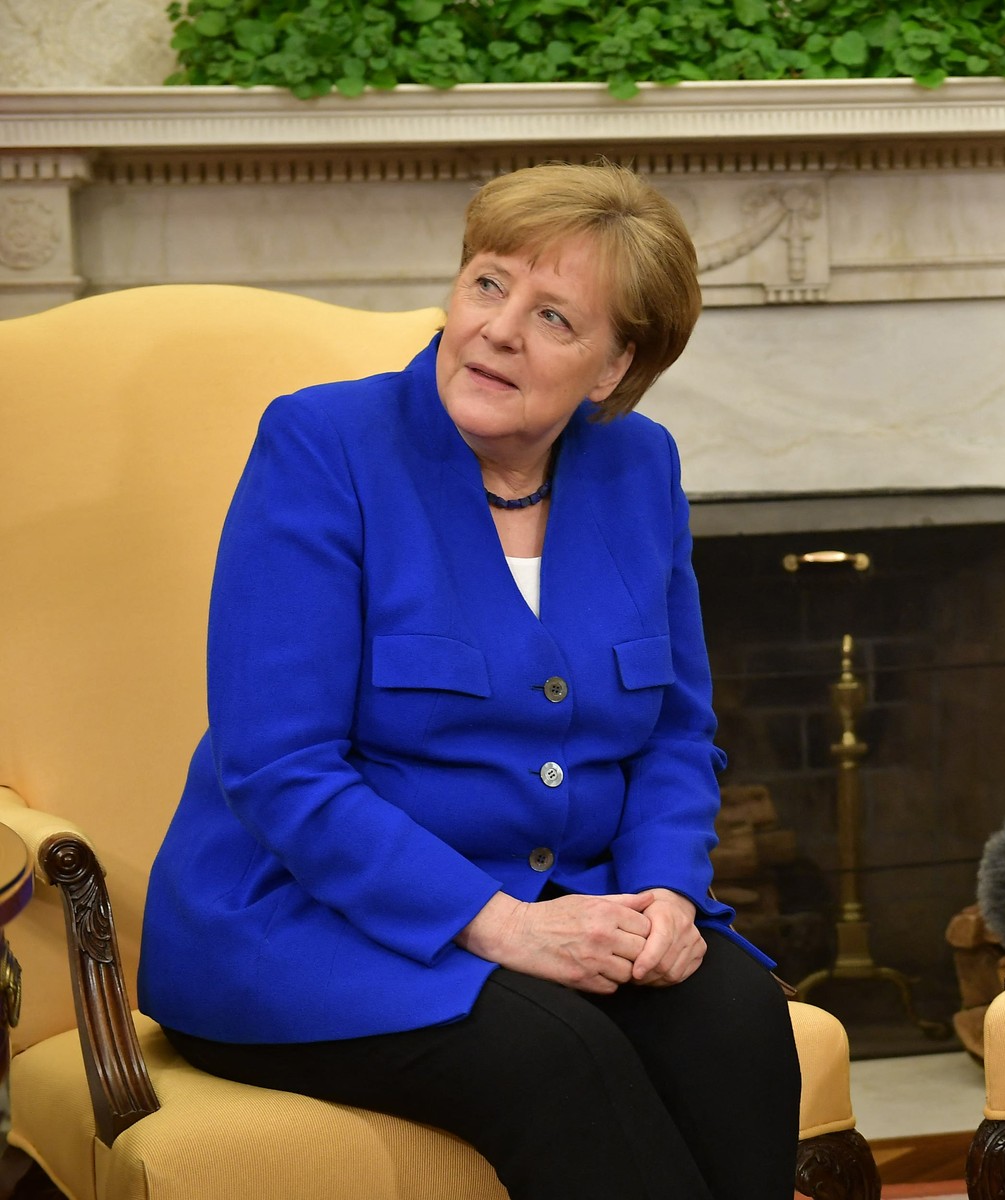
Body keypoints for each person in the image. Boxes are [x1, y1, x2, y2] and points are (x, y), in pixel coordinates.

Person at [138, 161, 801, 1200]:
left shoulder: (641, 468)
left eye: (553, 317)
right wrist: (506, 925)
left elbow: (674, 732)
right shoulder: (321, 448)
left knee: (735, 1017)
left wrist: (669, 890)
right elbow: (282, 770)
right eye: (487, 284)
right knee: (559, 1055)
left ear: (613, 369)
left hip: (571, 903)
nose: (497, 329)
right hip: (308, 931)